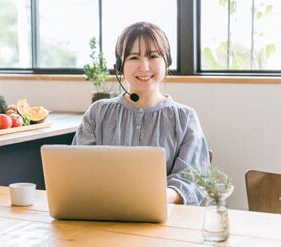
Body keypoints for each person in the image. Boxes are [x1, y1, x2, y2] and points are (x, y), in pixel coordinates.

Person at [72, 22, 210, 205]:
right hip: (103, 215)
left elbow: (192, 180)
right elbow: (78, 170)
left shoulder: (185, 118)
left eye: (153, 56)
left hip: (164, 220)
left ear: (166, 62)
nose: (144, 67)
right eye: (134, 57)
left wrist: (151, 200)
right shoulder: (98, 113)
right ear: (120, 65)